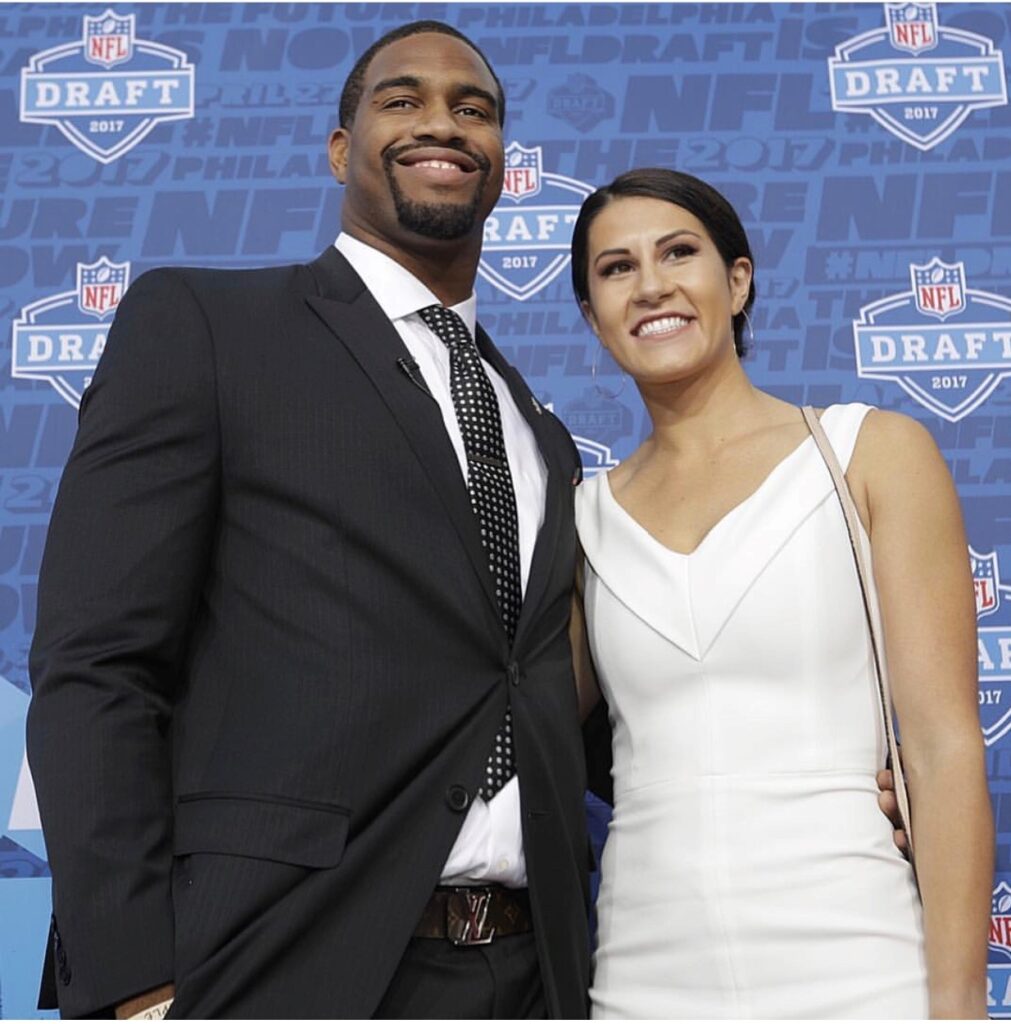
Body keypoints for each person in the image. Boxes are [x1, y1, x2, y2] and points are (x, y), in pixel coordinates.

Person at [26, 21, 591, 1019]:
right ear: (341, 149)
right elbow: (97, 666)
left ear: (505, 163)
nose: (443, 125)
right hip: (277, 965)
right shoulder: (207, 326)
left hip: (531, 973)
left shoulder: (537, 428)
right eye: (402, 100)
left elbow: (543, 695)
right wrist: (136, 983)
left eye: (475, 109)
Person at [568, 168, 993, 1019]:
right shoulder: (579, 518)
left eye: (678, 253)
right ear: (592, 315)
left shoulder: (866, 453)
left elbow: (942, 748)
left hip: (858, 960)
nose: (651, 284)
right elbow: (519, 729)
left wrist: (957, 1005)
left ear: (736, 279)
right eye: (616, 269)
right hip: (643, 975)